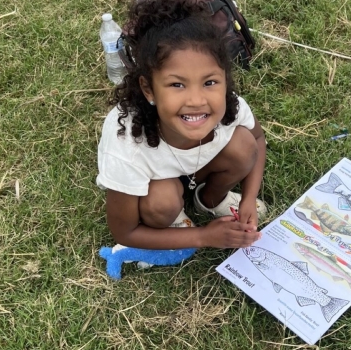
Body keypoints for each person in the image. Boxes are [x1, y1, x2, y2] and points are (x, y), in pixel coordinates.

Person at [96, 0, 267, 251]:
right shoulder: (128, 145)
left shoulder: (231, 108)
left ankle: (210, 199)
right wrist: (203, 237)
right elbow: (124, 231)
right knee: (160, 201)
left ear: (225, 79)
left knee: (244, 144)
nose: (197, 101)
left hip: (198, 167)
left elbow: (258, 140)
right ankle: (173, 220)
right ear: (148, 89)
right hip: (157, 185)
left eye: (209, 82)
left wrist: (249, 199)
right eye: (177, 84)